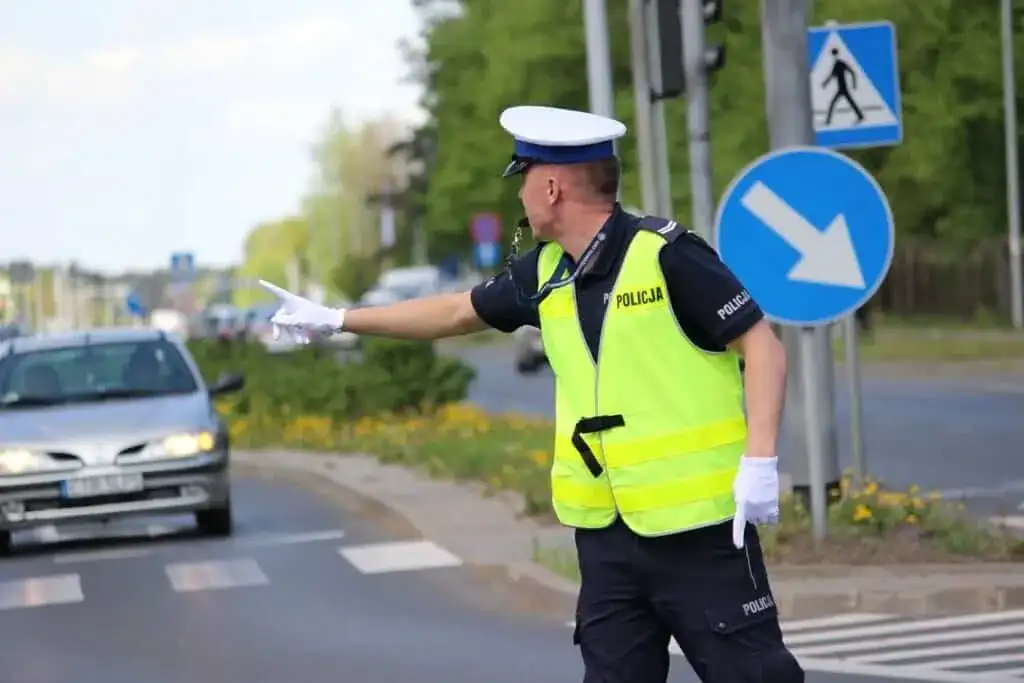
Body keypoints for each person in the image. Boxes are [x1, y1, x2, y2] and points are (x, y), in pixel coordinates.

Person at [260, 105, 800, 683]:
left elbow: (763, 348)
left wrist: (759, 463)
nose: (519, 195)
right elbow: (455, 311)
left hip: (702, 533)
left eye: (523, 179)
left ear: (551, 187)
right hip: (608, 538)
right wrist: (339, 319)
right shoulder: (545, 272)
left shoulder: (668, 255)